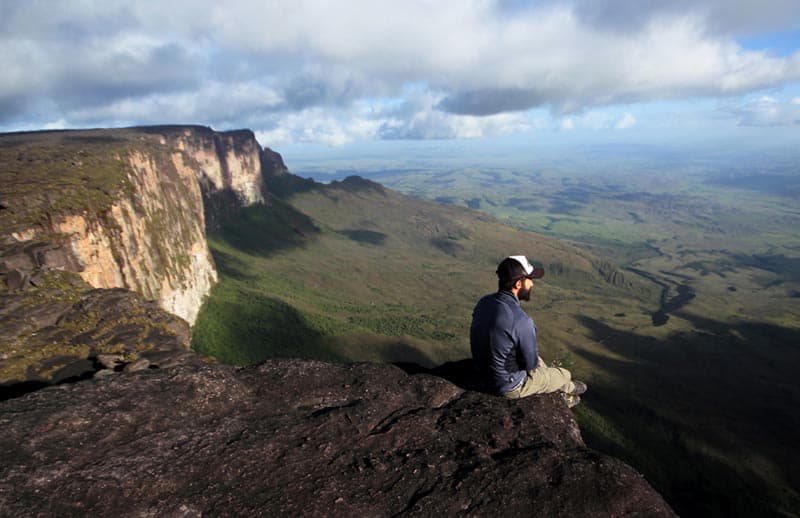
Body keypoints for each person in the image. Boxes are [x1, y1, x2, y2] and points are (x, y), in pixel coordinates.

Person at [470, 255, 587, 407]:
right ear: (519, 284)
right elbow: (530, 365)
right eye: (530, 279)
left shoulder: (484, 302)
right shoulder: (521, 321)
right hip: (508, 386)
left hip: (483, 373)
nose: (532, 284)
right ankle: (565, 393)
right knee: (563, 374)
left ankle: (563, 389)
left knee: (541, 364)